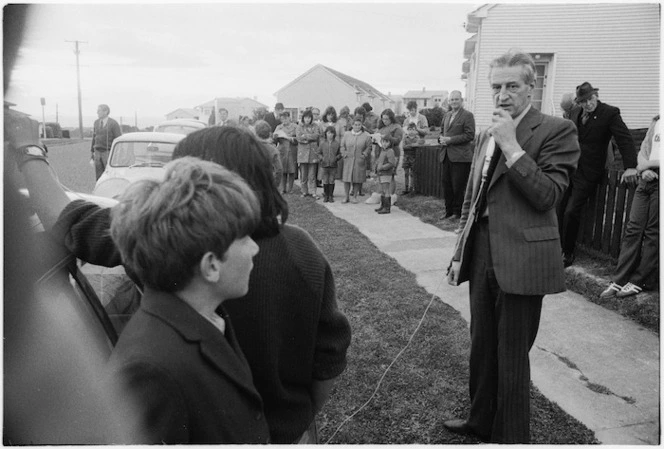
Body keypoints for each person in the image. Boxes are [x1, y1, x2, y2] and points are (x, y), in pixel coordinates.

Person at [30, 126, 352, 444]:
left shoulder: (161, 244)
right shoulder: (302, 251)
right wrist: (301, 422)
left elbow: (68, 218)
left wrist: (29, 152)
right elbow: (329, 360)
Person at [445, 49, 580, 443]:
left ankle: (511, 436)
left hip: (523, 256)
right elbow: (473, 199)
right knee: (481, 345)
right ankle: (480, 421)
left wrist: (512, 147)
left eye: (511, 86)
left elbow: (549, 196)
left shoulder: (556, 130)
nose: (502, 95)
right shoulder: (486, 133)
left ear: (530, 86)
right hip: (483, 248)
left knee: (511, 354)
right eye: (495, 87)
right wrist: (459, 253)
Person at [106, 157, 269, 444]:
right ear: (210, 266)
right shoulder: (150, 371)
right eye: (244, 238)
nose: (255, 248)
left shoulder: (204, 316)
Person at [560, 82, 638, 267]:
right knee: (559, 207)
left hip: (589, 171)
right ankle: (557, 247)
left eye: (590, 99)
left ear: (596, 96)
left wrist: (631, 166)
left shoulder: (609, 113)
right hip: (570, 168)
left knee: (572, 211)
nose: (587, 104)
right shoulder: (575, 113)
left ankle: (567, 253)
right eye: (583, 101)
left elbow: (624, 139)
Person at [600, 115, 659, 299]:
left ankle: (640, 280)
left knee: (652, 232)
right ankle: (619, 279)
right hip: (646, 179)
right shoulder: (657, 122)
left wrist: (648, 166)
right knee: (633, 229)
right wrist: (644, 168)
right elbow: (643, 151)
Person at [438, 90, 476, 220]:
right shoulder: (447, 115)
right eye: (451, 100)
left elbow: (469, 135)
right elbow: (441, 131)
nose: (454, 102)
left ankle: (457, 212)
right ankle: (448, 211)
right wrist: (441, 139)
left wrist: (450, 140)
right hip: (446, 155)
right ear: (449, 102)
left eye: (456, 99)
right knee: (446, 184)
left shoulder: (467, 115)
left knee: (458, 186)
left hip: (461, 157)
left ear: (461, 100)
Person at [341, 114, 372, 204]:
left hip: (359, 160)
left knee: (357, 179)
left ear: (361, 125)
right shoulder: (347, 134)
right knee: (347, 178)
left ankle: (354, 196)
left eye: (359, 125)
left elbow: (369, 147)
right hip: (348, 159)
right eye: (355, 124)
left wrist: (364, 155)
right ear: (352, 125)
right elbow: (342, 145)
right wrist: (344, 154)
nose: (357, 126)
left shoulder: (366, 136)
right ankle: (346, 196)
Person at [377, 108, 404, 204]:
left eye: (387, 119)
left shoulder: (397, 127)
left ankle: (392, 195)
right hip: (382, 153)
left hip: (393, 153)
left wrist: (388, 137)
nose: (384, 121)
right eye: (383, 119)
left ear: (391, 118)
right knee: (382, 174)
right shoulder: (381, 128)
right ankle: (384, 195)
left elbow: (397, 141)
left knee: (391, 174)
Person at [90, 104, 122, 181]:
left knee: (109, 175)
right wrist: (92, 154)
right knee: (99, 176)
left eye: (99, 111)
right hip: (97, 153)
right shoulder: (96, 122)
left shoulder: (113, 123)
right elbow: (94, 138)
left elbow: (118, 139)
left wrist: (117, 155)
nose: (97, 112)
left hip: (108, 153)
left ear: (106, 111)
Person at [296, 109, 321, 198]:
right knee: (303, 174)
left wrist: (306, 136)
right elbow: (299, 138)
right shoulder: (299, 126)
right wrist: (310, 137)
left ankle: (313, 191)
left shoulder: (316, 126)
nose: (307, 119)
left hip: (312, 153)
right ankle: (304, 191)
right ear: (303, 118)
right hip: (302, 153)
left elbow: (316, 135)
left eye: (309, 118)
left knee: (312, 174)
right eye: (306, 117)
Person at [273, 111, 298, 194]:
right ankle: (283, 188)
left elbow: (298, 138)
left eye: (286, 117)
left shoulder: (295, 126)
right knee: (283, 170)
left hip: (291, 149)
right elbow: (274, 140)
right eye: (282, 118)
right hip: (282, 150)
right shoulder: (278, 127)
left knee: (291, 170)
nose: (285, 120)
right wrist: (275, 137)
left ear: (289, 118)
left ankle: (290, 188)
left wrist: (291, 138)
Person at [254, 119, 283, 184]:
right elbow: (279, 169)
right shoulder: (273, 149)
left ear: (255, 133)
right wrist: (275, 184)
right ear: (269, 133)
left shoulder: (251, 147)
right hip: (268, 180)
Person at [373, 134, 397, 214]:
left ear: (390, 143)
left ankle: (387, 208)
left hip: (386, 173)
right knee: (382, 190)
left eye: (386, 142)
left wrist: (382, 167)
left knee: (386, 190)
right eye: (383, 142)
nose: (384, 144)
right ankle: (383, 206)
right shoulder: (383, 151)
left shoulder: (390, 151)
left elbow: (391, 163)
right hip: (381, 173)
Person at [318, 125, 341, 203]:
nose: (330, 135)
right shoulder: (322, 143)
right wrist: (322, 158)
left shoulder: (337, 143)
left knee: (331, 180)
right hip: (324, 165)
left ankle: (331, 195)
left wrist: (336, 158)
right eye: (328, 133)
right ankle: (326, 195)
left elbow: (339, 153)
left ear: (334, 134)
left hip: (333, 165)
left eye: (332, 133)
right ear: (326, 134)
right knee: (325, 180)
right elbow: (319, 153)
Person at [402, 122, 424, 194]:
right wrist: (412, 145)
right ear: (408, 130)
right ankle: (406, 188)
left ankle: (412, 188)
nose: (411, 131)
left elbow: (419, 145)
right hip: (406, 158)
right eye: (410, 129)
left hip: (413, 158)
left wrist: (410, 145)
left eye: (413, 129)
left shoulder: (417, 138)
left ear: (415, 130)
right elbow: (404, 147)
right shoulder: (405, 137)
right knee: (406, 173)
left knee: (412, 173)